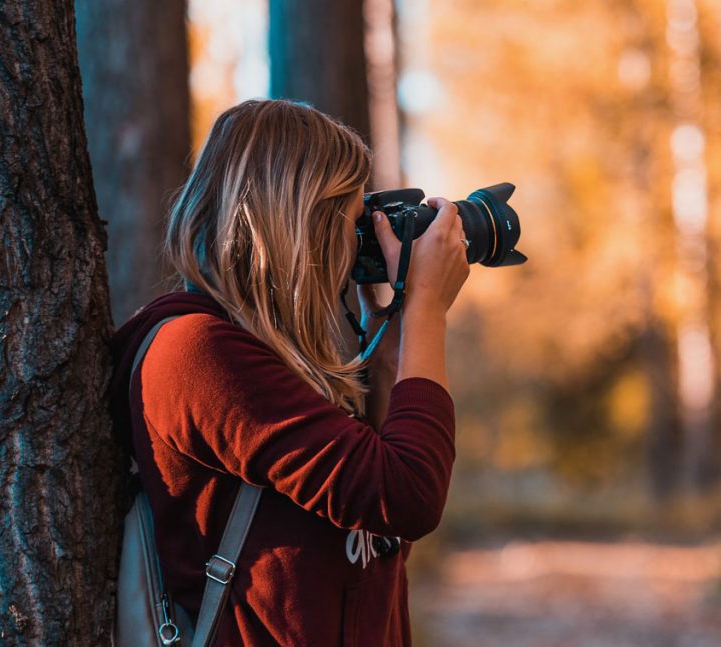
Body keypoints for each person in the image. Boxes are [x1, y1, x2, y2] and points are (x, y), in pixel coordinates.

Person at [109, 99, 469, 646]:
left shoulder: (273, 357)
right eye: (350, 222)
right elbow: (407, 495)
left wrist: (390, 335)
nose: (356, 244)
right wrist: (424, 309)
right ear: (304, 223)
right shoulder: (197, 354)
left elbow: (376, 526)